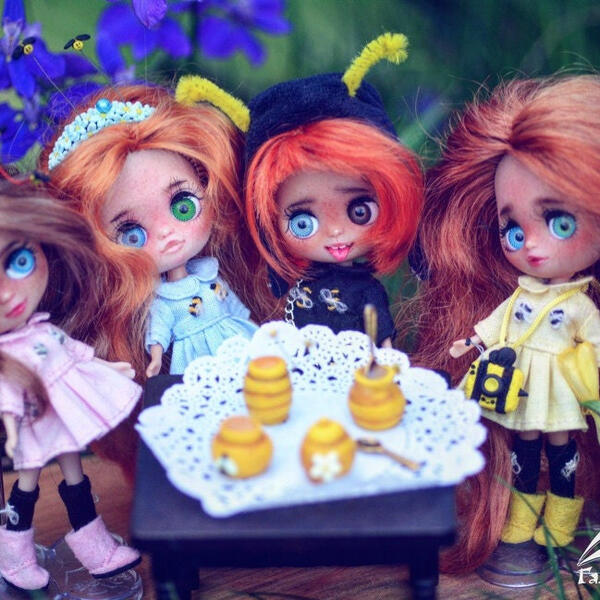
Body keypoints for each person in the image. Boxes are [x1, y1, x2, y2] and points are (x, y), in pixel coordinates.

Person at [410, 75, 600, 572]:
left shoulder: (580, 306)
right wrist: (469, 343)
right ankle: (520, 524)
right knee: (523, 457)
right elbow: (496, 325)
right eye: (513, 229)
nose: (531, 245)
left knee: (563, 459)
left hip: (561, 394)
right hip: (521, 392)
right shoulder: (520, 295)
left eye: (560, 222)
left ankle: (561, 526)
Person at [40, 84, 271, 476]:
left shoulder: (215, 274)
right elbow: (159, 333)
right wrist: (157, 358)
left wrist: (261, 333)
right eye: (132, 234)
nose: (167, 234)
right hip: (189, 365)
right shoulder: (157, 305)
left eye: (182, 205)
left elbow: (236, 307)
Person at [0, 184, 141, 591]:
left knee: (76, 478)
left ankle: (98, 552)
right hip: (33, 426)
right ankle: (14, 556)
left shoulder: (42, 329)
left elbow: (74, 355)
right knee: (26, 485)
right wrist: (11, 431)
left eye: (20, 260)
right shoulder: (8, 355)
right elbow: (8, 396)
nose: (8, 295)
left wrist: (108, 368)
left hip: (64, 420)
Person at [244, 33, 423, 346]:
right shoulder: (299, 290)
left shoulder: (367, 291)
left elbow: (383, 343)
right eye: (303, 222)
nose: (337, 232)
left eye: (359, 211)